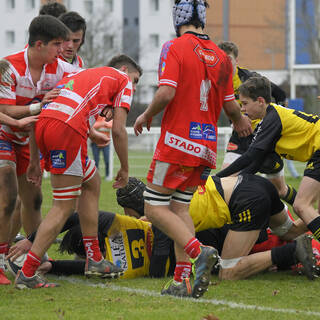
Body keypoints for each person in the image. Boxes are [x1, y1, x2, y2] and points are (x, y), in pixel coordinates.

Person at [134, 0, 255, 299]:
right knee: (180, 208)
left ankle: (198, 251)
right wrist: (240, 120)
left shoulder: (173, 47)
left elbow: (166, 91)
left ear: (178, 17)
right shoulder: (221, 57)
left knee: (153, 207)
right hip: (206, 147)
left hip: (176, 144)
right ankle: (183, 279)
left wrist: (146, 114)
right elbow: (230, 105)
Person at [7, 177, 315, 285]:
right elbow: (77, 225)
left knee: (230, 272)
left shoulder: (137, 228)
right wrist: (50, 262)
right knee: (289, 231)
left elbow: (155, 270)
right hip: (237, 201)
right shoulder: (124, 227)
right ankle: (304, 239)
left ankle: (294, 253)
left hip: (232, 217)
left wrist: (35, 247)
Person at [13, 54, 143, 289]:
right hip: (65, 131)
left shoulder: (84, 75)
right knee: (63, 206)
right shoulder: (122, 79)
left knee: (91, 181)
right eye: (136, 80)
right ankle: (28, 272)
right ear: (124, 70)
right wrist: (124, 167)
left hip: (45, 125)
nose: (133, 86)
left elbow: (54, 112)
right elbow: (119, 131)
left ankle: (94, 258)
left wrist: (34, 160)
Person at [0, 15, 79, 286]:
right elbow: (5, 109)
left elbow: (85, 87)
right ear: (38, 44)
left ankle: (32, 260)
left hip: (28, 141)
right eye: (57, 44)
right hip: (3, 133)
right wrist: (38, 106)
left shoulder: (62, 69)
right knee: (8, 198)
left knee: (33, 201)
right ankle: (1, 262)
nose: (62, 50)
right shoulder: (8, 66)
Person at [215, 76, 320, 248]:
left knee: (302, 205)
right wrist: (233, 182)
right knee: (311, 211)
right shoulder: (267, 121)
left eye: (245, 104)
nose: (242, 109)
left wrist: (217, 179)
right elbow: (255, 162)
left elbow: (250, 156)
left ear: (261, 101)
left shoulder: (272, 118)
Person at [218, 41, 297, 206]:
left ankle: (306, 210)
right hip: (240, 137)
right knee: (225, 182)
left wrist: (275, 122)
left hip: (262, 137)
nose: (225, 64)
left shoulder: (249, 79)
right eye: (221, 60)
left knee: (280, 191)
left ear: (236, 61)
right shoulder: (216, 81)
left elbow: (280, 93)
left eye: (229, 60)